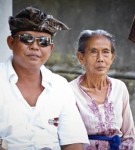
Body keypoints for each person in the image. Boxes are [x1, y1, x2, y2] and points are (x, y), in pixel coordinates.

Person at [0, 6, 89, 150]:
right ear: (11, 42)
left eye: (43, 41)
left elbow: (73, 142)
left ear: (51, 48)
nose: (35, 46)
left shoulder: (60, 86)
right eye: (27, 39)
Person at [69, 29, 135, 150]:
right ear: (81, 57)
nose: (100, 58)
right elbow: (68, 137)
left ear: (112, 57)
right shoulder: (70, 91)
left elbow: (129, 135)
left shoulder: (119, 88)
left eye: (106, 52)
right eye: (93, 52)